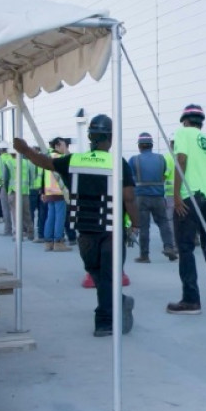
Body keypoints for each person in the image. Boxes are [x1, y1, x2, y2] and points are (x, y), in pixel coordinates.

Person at [13, 114, 139, 337]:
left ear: (90, 137)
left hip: (85, 230)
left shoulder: (75, 160)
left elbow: (45, 162)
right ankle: (111, 313)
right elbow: (129, 198)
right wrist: (136, 225)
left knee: (96, 271)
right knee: (109, 275)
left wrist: (25, 150)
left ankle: (106, 315)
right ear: (110, 138)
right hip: (111, 230)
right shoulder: (118, 163)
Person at [166, 104, 206, 315]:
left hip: (189, 198)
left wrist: (176, 194)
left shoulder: (183, 133)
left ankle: (191, 300)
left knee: (185, 249)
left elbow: (181, 160)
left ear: (185, 121)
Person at [128, 132, 177, 263]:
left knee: (144, 226)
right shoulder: (161, 159)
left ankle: (144, 255)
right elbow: (163, 174)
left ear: (139, 146)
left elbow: (130, 180)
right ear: (151, 145)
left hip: (141, 197)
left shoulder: (134, 160)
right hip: (159, 197)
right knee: (163, 223)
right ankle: (169, 247)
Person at [42, 137, 71, 252]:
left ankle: (48, 242)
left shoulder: (48, 158)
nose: (65, 147)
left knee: (50, 217)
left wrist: (43, 192)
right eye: (64, 145)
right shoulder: (61, 158)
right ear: (57, 145)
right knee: (60, 217)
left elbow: (43, 176)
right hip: (59, 191)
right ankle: (58, 242)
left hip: (49, 191)